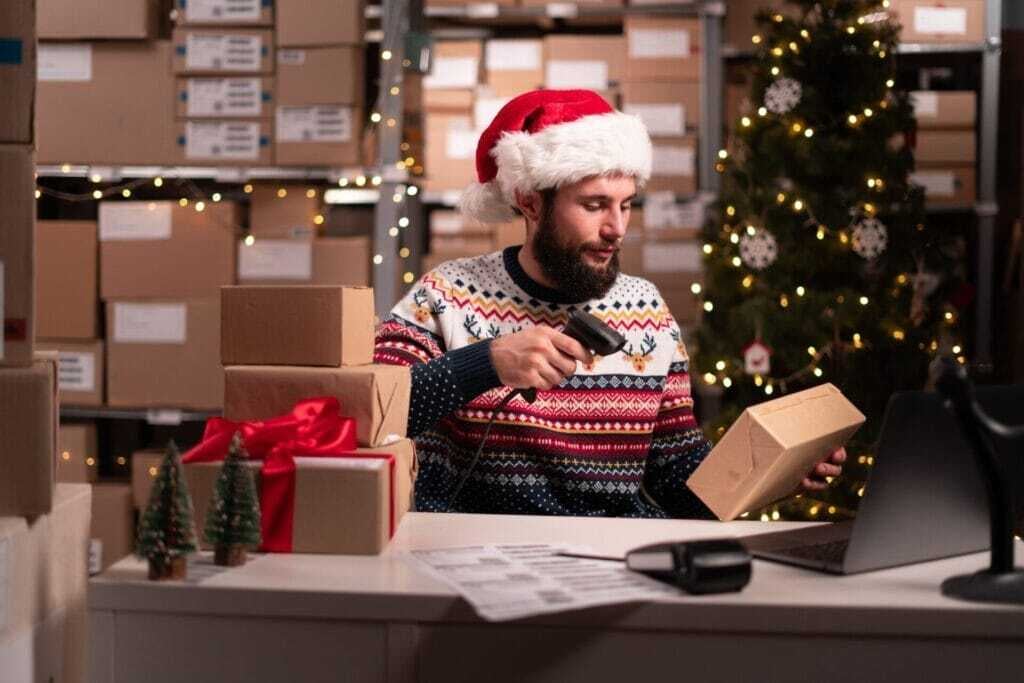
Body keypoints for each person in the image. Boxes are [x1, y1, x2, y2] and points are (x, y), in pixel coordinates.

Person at [375, 89, 845, 516]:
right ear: (530, 201)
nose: (616, 229)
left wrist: (774, 474)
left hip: (618, 555)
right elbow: (369, 413)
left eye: (626, 204)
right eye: (595, 205)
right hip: (477, 554)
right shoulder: (446, 294)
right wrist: (487, 362)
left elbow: (675, 471)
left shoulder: (646, 306)